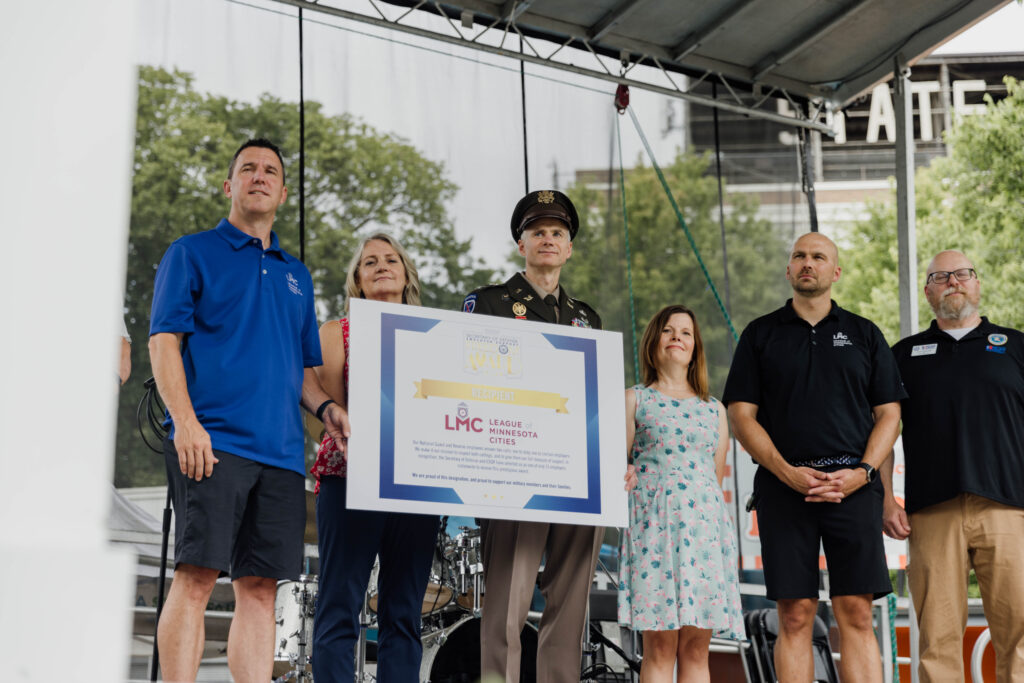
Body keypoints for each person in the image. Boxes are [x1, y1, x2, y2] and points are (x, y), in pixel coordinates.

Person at [148, 138, 349, 683]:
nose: (259, 176)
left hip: (282, 456)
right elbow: (163, 341)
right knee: (195, 577)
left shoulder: (297, 276)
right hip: (211, 443)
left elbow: (301, 370)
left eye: (270, 172)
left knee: (260, 590)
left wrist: (326, 407)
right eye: (247, 169)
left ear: (283, 192)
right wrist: (186, 424)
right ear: (229, 185)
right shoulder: (190, 252)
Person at [723, 231, 905, 683]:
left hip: (854, 489)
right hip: (785, 491)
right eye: (799, 256)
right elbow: (741, 415)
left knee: (856, 613)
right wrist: (786, 473)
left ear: (835, 272)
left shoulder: (865, 333)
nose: (808, 263)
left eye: (818, 257)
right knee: (796, 614)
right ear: (788, 270)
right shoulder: (760, 334)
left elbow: (890, 415)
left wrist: (862, 474)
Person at [463, 189, 603, 683]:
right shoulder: (488, 304)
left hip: (576, 479)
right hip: (511, 476)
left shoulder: (587, 318)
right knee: (506, 608)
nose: (548, 239)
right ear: (521, 245)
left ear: (569, 248)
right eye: (538, 232)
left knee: (569, 611)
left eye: (557, 233)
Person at [884, 250, 1024, 683]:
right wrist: (887, 499)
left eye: (963, 274)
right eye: (941, 277)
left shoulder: (1016, 345)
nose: (953, 282)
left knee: (1019, 638)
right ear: (928, 291)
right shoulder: (902, 355)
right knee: (937, 641)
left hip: (1008, 509)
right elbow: (882, 433)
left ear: (977, 284)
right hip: (932, 512)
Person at [310, 233, 441, 682]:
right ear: (358, 281)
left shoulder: (437, 338)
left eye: (391, 260)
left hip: (416, 483)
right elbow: (326, 412)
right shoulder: (335, 333)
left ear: (406, 276)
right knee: (339, 605)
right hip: (349, 477)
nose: (381, 266)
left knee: (404, 612)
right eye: (370, 262)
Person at [619, 304, 744, 682]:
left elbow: (715, 475)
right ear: (653, 342)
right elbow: (616, 468)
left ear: (695, 347)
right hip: (654, 533)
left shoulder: (714, 410)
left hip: (704, 536)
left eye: (686, 332)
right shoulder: (634, 399)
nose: (677, 337)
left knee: (695, 649)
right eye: (668, 330)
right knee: (659, 647)